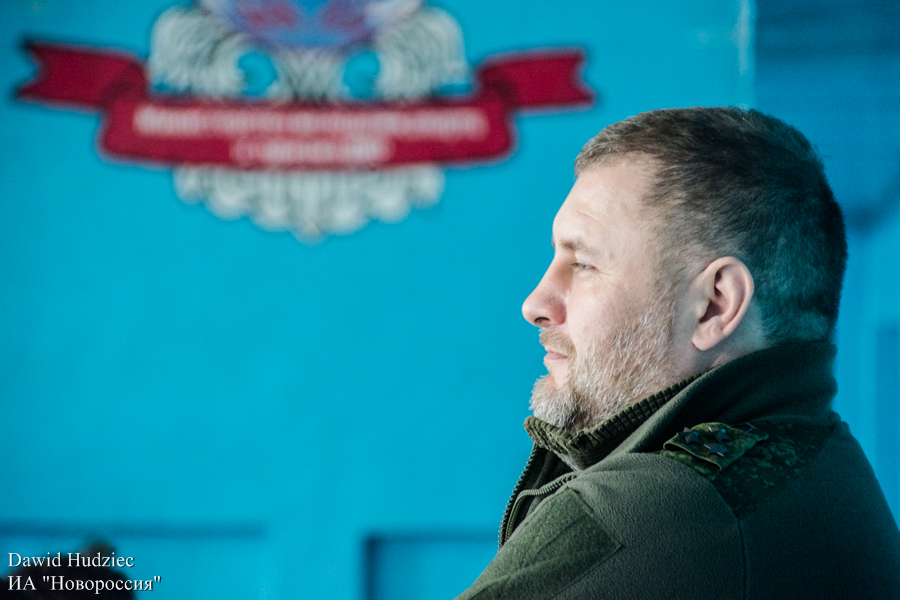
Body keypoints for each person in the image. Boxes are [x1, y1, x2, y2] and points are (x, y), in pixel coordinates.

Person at [456, 107, 900, 600]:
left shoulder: (649, 513)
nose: (535, 304)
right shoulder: (825, 466)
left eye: (583, 264)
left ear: (714, 305)